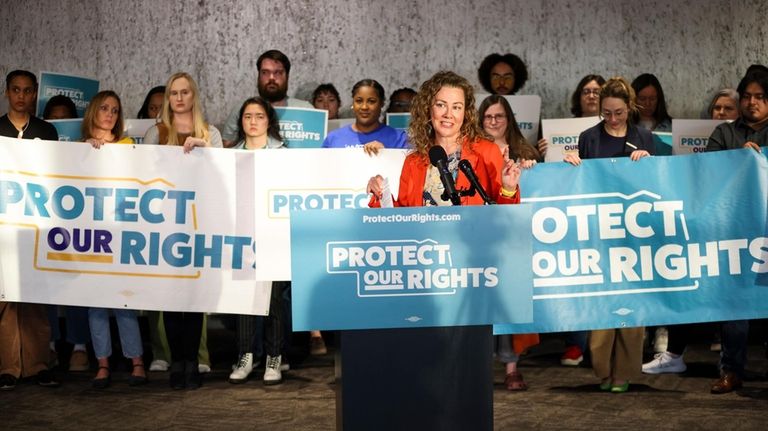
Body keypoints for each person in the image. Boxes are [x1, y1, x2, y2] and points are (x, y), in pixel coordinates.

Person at [563, 76, 654, 393]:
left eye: (618, 112)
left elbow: (656, 184)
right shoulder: (589, 137)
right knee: (601, 304)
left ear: (630, 108)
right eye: (606, 113)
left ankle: (624, 373)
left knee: (631, 305)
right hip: (598, 233)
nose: (612, 118)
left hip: (634, 233)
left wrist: (649, 163)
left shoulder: (644, 137)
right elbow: (579, 184)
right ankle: (602, 370)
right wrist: (572, 163)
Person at [641, 88, 740, 377]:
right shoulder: (710, 136)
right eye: (717, 108)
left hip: (734, 228)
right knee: (686, 281)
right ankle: (673, 353)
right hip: (697, 223)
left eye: (727, 108)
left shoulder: (736, 138)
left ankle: (730, 362)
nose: (720, 113)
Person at [143, 72, 222, 389]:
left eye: (184, 92)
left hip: (201, 224)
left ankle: (192, 361)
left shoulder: (210, 132)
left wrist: (205, 151)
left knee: (195, 299)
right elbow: (144, 175)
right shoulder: (156, 132)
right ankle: (178, 363)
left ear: (194, 96)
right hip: (165, 226)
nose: (178, 98)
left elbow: (226, 175)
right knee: (172, 300)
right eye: (173, 92)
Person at [703, 71, 768, 393]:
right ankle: (731, 370)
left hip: (766, 229)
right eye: (747, 97)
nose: (751, 103)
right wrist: (737, 160)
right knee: (736, 304)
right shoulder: (725, 133)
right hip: (734, 232)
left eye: (759, 97)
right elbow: (705, 174)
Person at [80, 91, 147, 388]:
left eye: (115, 110)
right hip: (91, 235)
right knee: (95, 302)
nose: (109, 114)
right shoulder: (79, 150)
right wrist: (88, 152)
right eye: (104, 108)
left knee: (123, 301)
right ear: (93, 111)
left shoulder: (127, 145)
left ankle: (137, 362)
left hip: (121, 233)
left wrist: (107, 151)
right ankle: (103, 364)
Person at [0, 70, 60, 391]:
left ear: (35, 93)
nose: (21, 96)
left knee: (35, 298)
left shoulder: (46, 131)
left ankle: (38, 366)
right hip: (3, 227)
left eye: (27, 91)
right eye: (15, 90)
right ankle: (8, 368)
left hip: (36, 224)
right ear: (7, 92)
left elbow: (59, 174)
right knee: (5, 299)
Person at [226, 97, 290, 385]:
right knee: (244, 300)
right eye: (247, 116)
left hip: (274, 235)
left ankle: (274, 358)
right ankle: (246, 356)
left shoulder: (283, 153)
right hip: (242, 235)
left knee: (274, 299)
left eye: (259, 116)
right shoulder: (230, 155)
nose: (253, 121)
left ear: (269, 121)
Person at [478, 94, 539, 390]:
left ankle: (512, 366)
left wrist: (532, 167)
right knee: (481, 300)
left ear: (509, 119)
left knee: (509, 299)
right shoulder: (472, 150)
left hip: (513, 239)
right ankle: (476, 365)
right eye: (488, 116)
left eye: (499, 116)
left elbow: (543, 184)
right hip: (480, 235)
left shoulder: (523, 150)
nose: (493, 122)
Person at [221, 50, 312, 147]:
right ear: (258, 76)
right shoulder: (243, 109)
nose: (271, 78)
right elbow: (227, 148)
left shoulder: (306, 110)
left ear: (287, 76)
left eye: (278, 72)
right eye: (265, 72)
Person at [322, 79, 408, 149]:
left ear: (381, 103)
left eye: (371, 101)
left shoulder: (399, 138)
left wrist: (387, 155)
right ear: (353, 103)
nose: (364, 107)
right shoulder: (333, 138)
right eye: (359, 101)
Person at [537, 74, 605, 160]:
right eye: (586, 92)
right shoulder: (564, 128)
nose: (591, 96)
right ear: (579, 97)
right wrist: (542, 152)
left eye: (596, 92)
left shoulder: (611, 126)